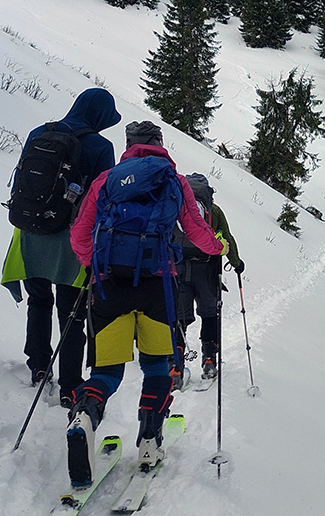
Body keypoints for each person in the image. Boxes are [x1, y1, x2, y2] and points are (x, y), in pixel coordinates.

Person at [64, 121, 225, 487]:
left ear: (128, 146)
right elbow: (197, 231)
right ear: (159, 143)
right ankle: (150, 441)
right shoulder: (174, 180)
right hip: (158, 288)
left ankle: (84, 417)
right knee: (157, 367)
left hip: (108, 288)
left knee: (107, 372)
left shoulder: (106, 180)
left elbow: (80, 233)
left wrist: (93, 266)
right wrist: (220, 247)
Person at [0, 87, 120, 407]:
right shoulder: (101, 147)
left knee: (38, 301)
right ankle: (70, 385)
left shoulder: (39, 132)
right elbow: (103, 200)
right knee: (72, 314)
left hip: (30, 234)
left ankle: (39, 365)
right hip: (71, 241)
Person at [173, 172, 244, 383]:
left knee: (180, 317)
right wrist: (237, 263)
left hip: (179, 268)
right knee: (210, 313)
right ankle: (209, 360)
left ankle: (175, 367)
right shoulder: (214, 211)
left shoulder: (177, 206)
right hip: (207, 270)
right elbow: (227, 238)